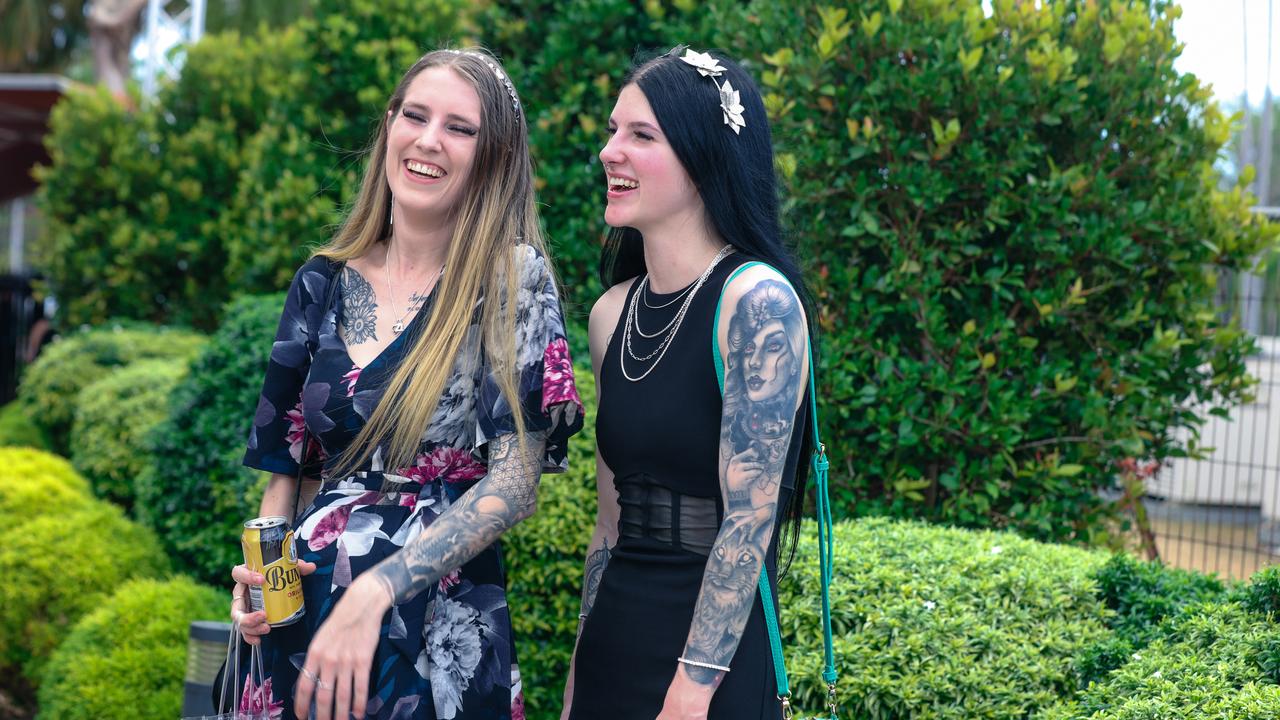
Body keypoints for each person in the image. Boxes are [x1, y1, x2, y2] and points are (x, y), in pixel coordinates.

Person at [230, 47, 584, 720]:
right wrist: (256, 584)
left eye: (460, 127)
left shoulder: (511, 278)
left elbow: (514, 485)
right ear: (388, 125)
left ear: (495, 157)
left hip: (436, 628)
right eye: (414, 115)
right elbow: (290, 469)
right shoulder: (321, 281)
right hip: (303, 622)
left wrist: (378, 590)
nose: (428, 140)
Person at [562, 47, 815, 719]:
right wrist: (575, 683)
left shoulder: (756, 301)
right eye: (614, 130)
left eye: (641, 135)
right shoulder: (610, 315)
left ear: (704, 159)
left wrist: (691, 690)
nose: (610, 152)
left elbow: (750, 518)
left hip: (713, 667)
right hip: (616, 641)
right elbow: (609, 525)